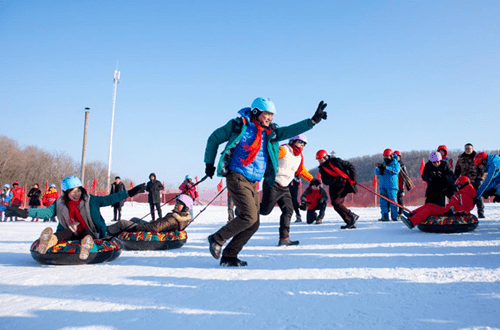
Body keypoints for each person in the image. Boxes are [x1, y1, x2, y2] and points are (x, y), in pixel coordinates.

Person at [204, 97, 327, 266]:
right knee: (248, 216)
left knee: (254, 223)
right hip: (237, 175)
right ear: (256, 112)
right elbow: (213, 138)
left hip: (253, 182)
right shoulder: (239, 125)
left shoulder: (271, 133)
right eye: (267, 114)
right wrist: (209, 163)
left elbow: (291, 130)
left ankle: (229, 256)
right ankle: (217, 239)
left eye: (272, 114)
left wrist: (312, 121)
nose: (270, 117)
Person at [4, 176, 146, 260]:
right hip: (70, 231)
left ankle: (86, 245)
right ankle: (48, 242)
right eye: (72, 191)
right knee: (64, 233)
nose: (76, 194)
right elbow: (46, 212)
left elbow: (110, 198)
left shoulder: (92, 200)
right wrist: (25, 213)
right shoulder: (59, 203)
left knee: (86, 233)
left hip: (90, 230)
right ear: (66, 192)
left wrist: (130, 192)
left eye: (78, 190)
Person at [260, 133, 313, 246]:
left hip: (285, 187)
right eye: (300, 142)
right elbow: (270, 158)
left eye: (304, 144)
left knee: (288, 210)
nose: (302, 145)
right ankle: (243, 209)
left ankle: (284, 238)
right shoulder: (284, 150)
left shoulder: (299, 156)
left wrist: (312, 180)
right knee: (265, 210)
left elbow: (301, 170)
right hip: (273, 184)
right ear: (293, 141)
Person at [400, 176, 476, 229]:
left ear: (462, 185)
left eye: (458, 186)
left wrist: (454, 209)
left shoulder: (465, 194)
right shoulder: (463, 192)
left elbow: (466, 208)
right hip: (448, 208)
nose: (457, 188)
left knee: (429, 210)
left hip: (449, 211)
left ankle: (412, 222)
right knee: (429, 205)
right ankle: (412, 214)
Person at [108, 194, 193, 235]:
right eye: (176, 203)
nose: (176, 205)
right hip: (152, 224)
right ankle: (119, 233)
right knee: (134, 219)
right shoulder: (181, 216)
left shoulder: (174, 218)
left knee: (122, 223)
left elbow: (155, 228)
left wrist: (138, 227)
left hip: (150, 228)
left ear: (185, 208)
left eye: (179, 204)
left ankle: (105, 233)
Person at [316, 149, 359, 229]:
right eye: (318, 160)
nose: (319, 161)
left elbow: (351, 166)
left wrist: (353, 178)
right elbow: (325, 181)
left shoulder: (336, 161)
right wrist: (336, 180)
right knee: (335, 205)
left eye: (320, 159)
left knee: (336, 203)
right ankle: (350, 222)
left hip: (343, 185)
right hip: (333, 187)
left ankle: (351, 215)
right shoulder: (322, 169)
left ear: (325, 157)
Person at [454, 143, 485, 218]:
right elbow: (457, 170)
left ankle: (480, 212)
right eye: (466, 148)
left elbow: (483, 169)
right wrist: (455, 179)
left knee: (478, 196)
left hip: (476, 179)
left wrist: (480, 178)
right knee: (465, 198)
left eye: (469, 148)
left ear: (472, 149)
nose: (467, 150)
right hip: (465, 182)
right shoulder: (461, 158)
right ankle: (466, 212)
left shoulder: (477, 157)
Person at [374, 148, 401, 221]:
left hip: (392, 186)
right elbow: (377, 173)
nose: (386, 158)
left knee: (393, 202)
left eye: (387, 156)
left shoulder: (396, 163)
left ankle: (394, 217)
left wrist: (386, 167)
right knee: (383, 202)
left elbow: (396, 171)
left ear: (391, 156)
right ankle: (384, 216)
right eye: (385, 157)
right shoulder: (384, 163)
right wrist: (378, 168)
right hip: (383, 186)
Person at [394, 150, 414, 220]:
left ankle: (400, 212)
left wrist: (407, 183)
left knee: (399, 199)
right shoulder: (392, 165)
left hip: (400, 185)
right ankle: (394, 213)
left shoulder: (402, 165)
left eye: (398, 157)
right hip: (393, 185)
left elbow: (406, 175)